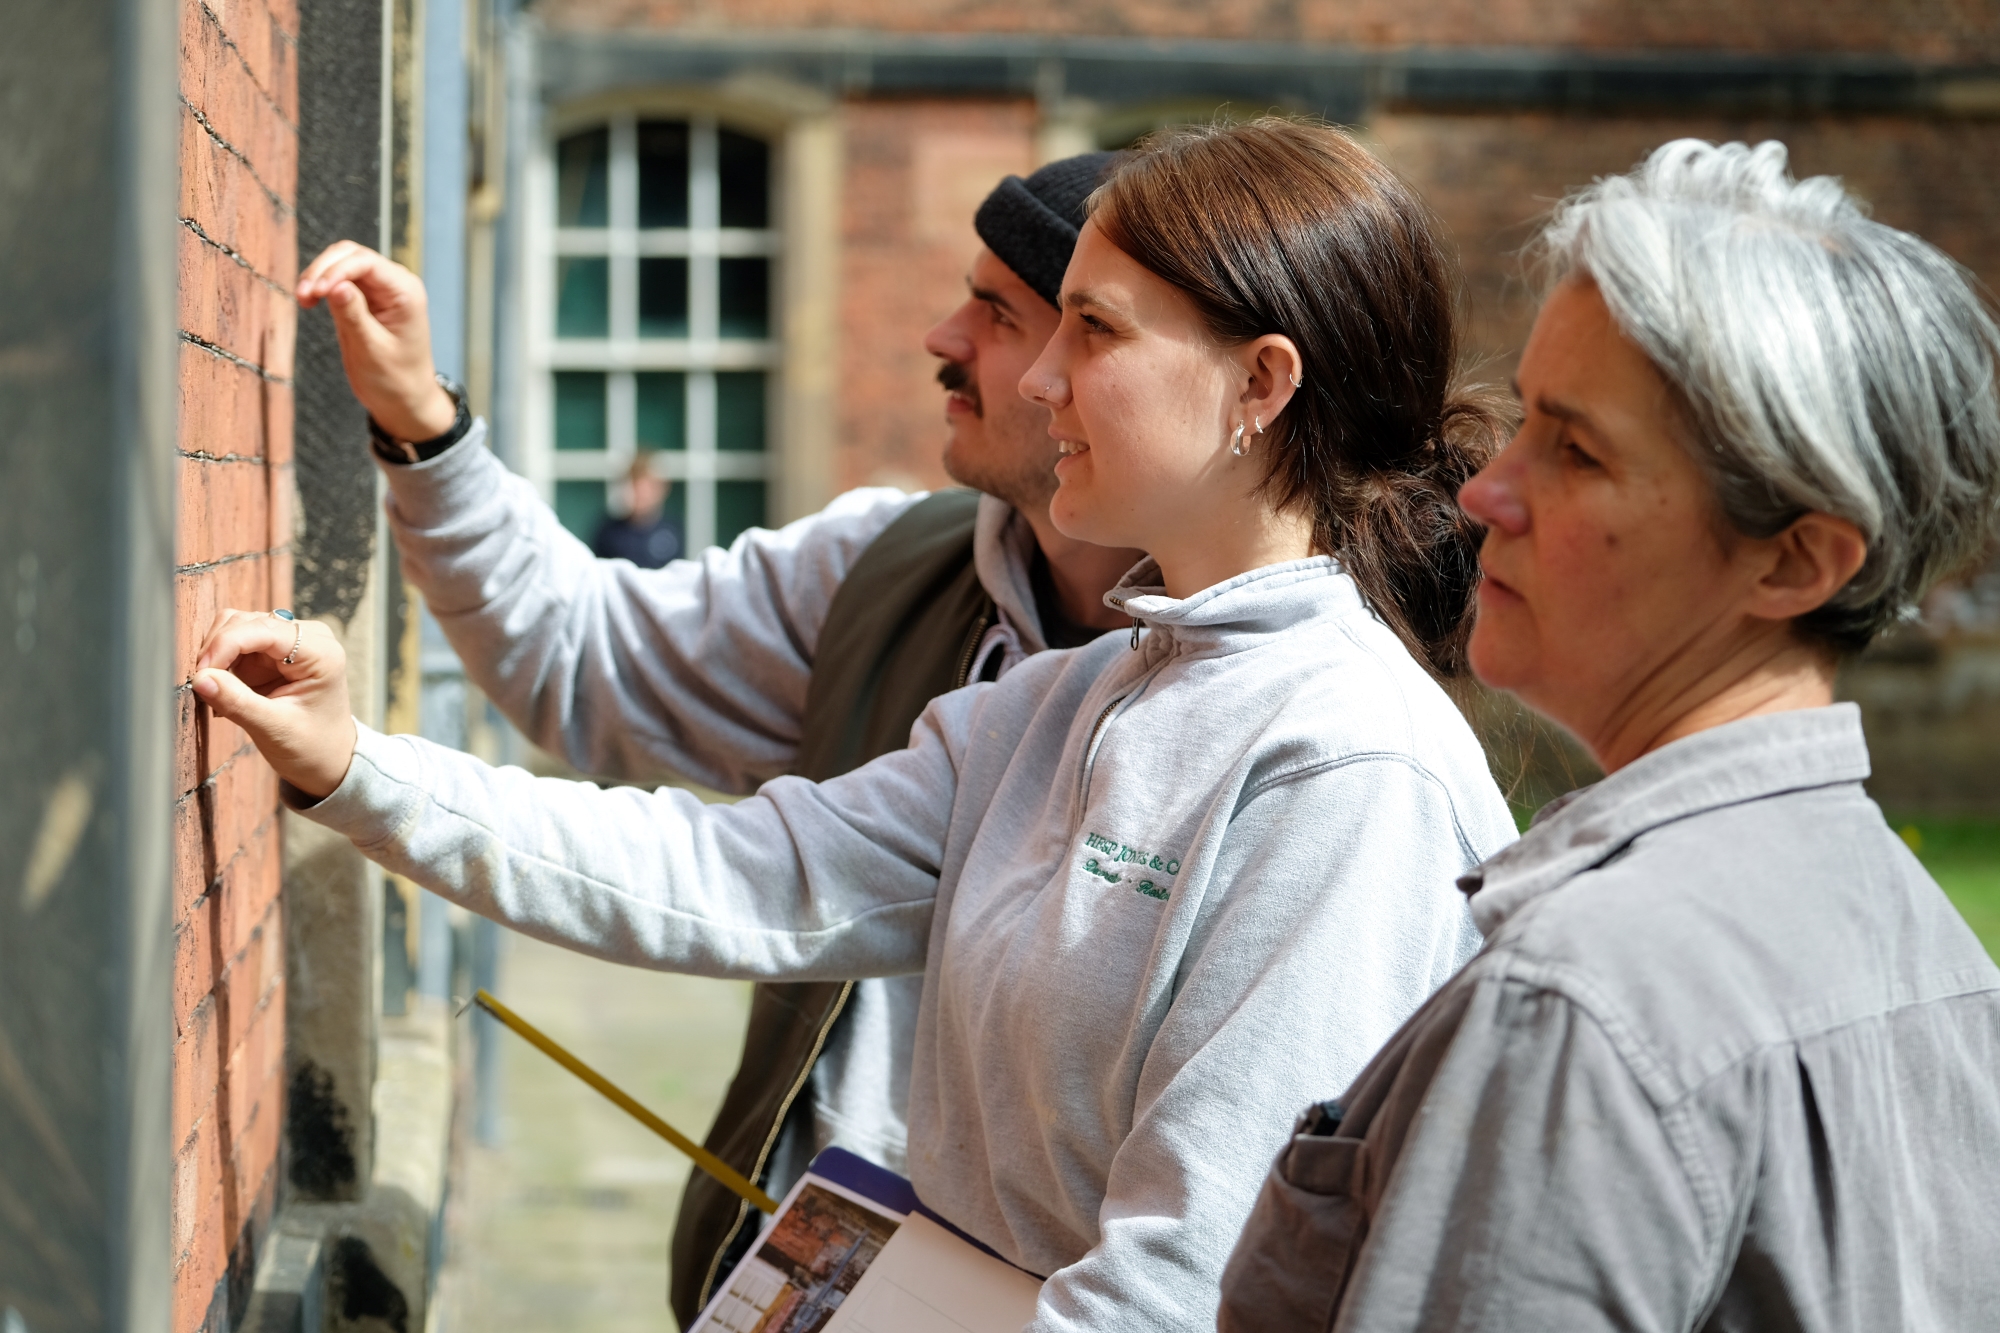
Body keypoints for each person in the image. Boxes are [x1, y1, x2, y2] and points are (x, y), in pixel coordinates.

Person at [199, 119, 1518, 1329]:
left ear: (1261, 384)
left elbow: (1182, 1289)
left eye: (1094, 332)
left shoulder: (1351, 771)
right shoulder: (1069, 700)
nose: (1041, 379)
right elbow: (737, 873)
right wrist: (354, 765)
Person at [292, 153, 1145, 1320]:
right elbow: (589, 666)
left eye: (997, 312)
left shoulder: (1272, 722)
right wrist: (423, 427)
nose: (942, 336)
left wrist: (360, 773)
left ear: (1092, 363)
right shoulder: (887, 567)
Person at [1219, 139, 2000, 1331]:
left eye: (1575, 450)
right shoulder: (1932, 952)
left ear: (1794, 559)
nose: (1487, 491)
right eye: (1527, 419)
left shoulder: (1581, 995)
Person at [591, 455, 683, 568]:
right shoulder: (609, 532)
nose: (640, 494)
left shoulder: (673, 530)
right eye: (635, 486)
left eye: (646, 488)